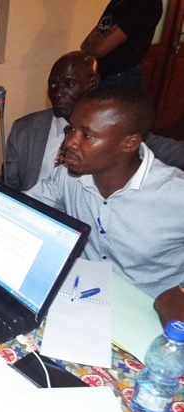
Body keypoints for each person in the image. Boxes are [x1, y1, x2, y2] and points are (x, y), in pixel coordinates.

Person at [24, 85, 184, 298]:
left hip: (147, 309)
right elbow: (22, 210)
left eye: (87, 135)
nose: (69, 142)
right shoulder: (67, 177)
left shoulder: (176, 195)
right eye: (71, 129)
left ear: (129, 143)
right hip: (81, 295)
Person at [4, 50, 184, 192]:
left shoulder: (116, 132)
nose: (57, 93)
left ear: (93, 83)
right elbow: (8, 185)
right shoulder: (25, 129)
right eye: (53, 85)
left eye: (69, 84)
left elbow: (176, 153)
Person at [81, 0, 162, 87]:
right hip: (102, 74)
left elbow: (99, 49)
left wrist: (95, 36)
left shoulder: (145, 3)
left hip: (119, 77)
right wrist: (98, 38)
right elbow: (84, 46)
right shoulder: (118, 2)